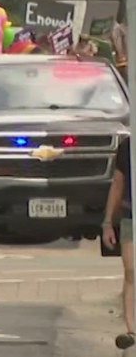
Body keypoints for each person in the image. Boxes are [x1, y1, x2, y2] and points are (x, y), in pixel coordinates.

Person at [104, 135, 135, 349]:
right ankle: (132, 330)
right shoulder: (126, 146)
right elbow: (117, 182)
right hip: (130, 215)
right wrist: (107, 222)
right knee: (131, 271)